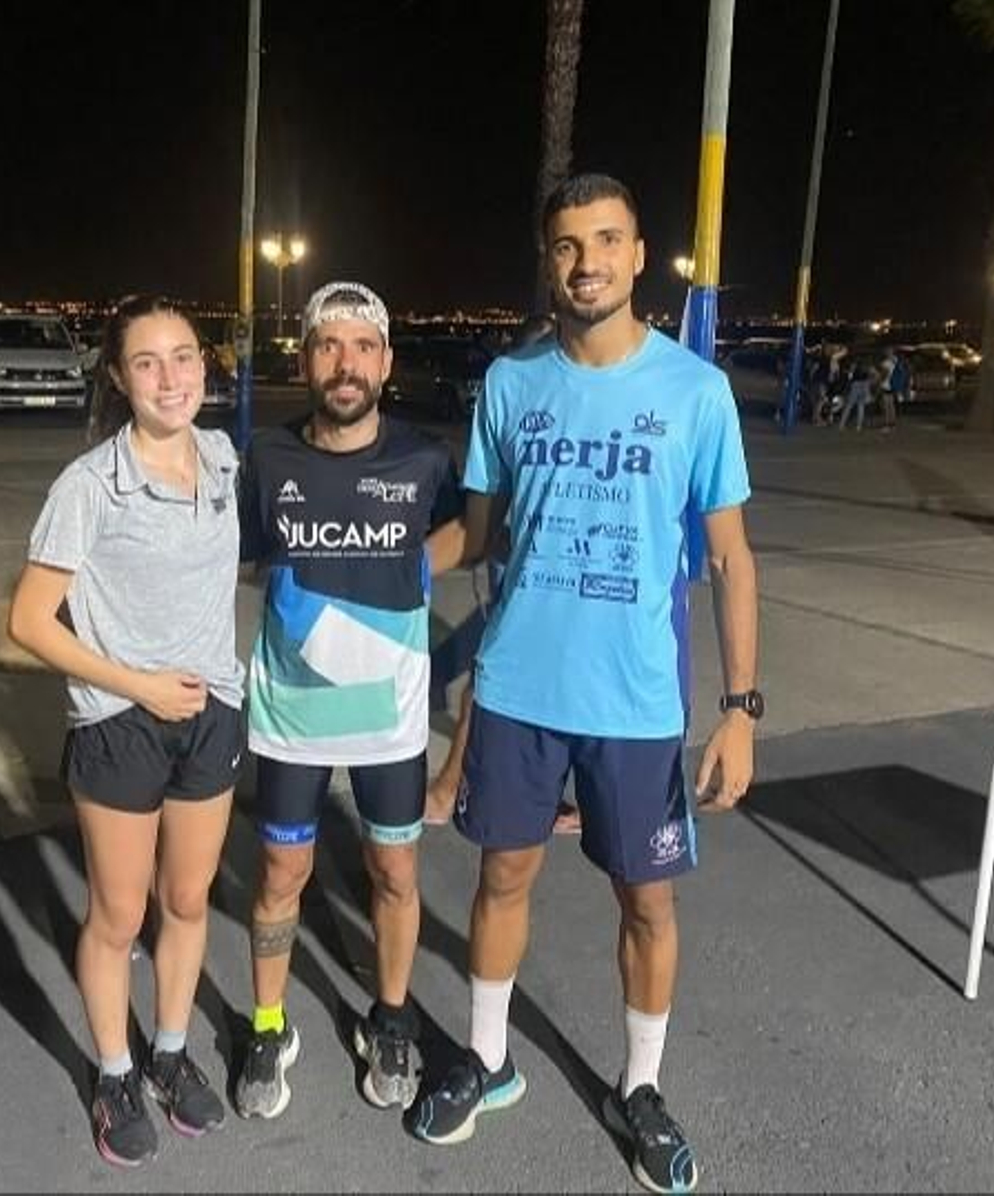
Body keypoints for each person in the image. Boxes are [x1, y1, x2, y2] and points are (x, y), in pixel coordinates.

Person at [409, 174, 760, 1196]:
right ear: (548, 260)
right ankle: (486, 1057)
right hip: (518, 686)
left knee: (644, 898)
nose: (586, 261)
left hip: (636, 700)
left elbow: (733, 559)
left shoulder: (694, 391)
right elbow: (474, 533)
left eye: (605, 239)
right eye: (566, 244)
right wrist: (376, 571)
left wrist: (740, 710)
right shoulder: (510, 383)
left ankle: (638, 1087)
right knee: (500, 877)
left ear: (639, 253)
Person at [8, 295, 244, 1167]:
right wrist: (138, 684)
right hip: (118, 724)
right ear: (118, 376)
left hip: (211, 713)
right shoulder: (89, 484)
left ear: (205, 365)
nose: (170, 377)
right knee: (118, 914)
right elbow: (30, 622)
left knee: (186, 902)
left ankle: (171, 1055)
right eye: (147, 362)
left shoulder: (222, 460)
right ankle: (113, 1073)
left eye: (183, 356)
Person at [234, 281, 464, 1120]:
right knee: (281, 873)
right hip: (291, 714)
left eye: (363, 346)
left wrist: (420, 567)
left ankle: (392, 1018)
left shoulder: (423, 459)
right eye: (328, 345)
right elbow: (229, 553)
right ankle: (269, 1025)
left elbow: (478, 526)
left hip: (389, 718)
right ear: (305, 358)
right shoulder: (266, 459)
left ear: (387, 363)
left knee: (395, 870)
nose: (346, 362)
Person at [424, 312, 582, 837]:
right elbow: (483, 522)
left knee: (558, 682)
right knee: (491, 673)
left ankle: (557, 791)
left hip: (578, 593)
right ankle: (450, 787)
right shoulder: (514, 398)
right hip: (517, 573)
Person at [837, 357, 873, 432]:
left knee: (849, 405)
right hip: (865, 385)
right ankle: (858, 426)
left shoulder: (854, 366)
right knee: (861, 406)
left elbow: (850, 376)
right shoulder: (867, 367)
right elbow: (871, 376)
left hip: (855, 385)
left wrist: (848, 375)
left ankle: (842, 424)